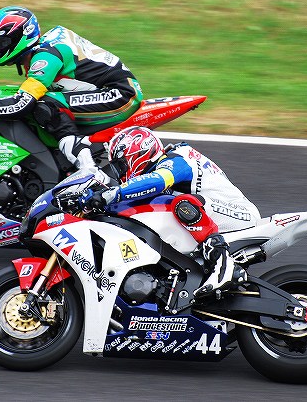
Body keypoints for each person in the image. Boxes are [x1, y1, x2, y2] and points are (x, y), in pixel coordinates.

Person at [0, 6, 143, 175]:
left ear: (21, 37)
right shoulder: (40, 50)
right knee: (31, 100)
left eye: (3, 42)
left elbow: (20, 105)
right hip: (102, 89)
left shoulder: (46, 57)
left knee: (45, 106)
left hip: (120, 94)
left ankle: (88, 171)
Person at [80, 126, 262, 298]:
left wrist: (112, 194)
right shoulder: (167, 161)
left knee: (183, 204)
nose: (120, 172)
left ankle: (224, 266)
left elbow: (157, 181)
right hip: (213, 213)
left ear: (138, 152)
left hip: (239, 213)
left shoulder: (178, 158)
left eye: (121, 165)